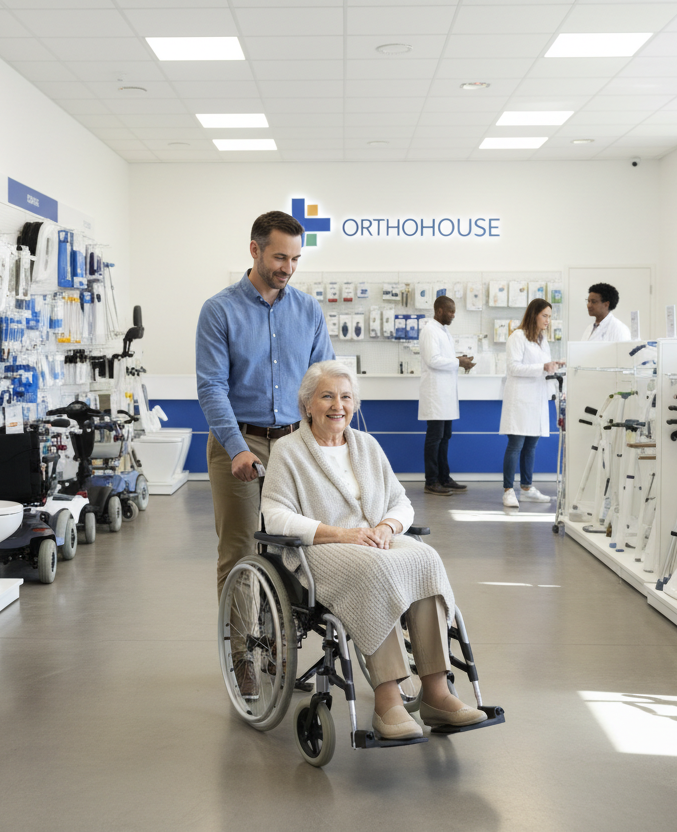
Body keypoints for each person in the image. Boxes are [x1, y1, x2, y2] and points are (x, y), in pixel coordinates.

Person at [262, 360, 486, 739]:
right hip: (321, 546)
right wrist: (339, 534)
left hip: (374, 538)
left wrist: (386, 527)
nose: (338, 405)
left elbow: (400, 502)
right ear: (307, 405)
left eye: (346, 397)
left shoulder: (366, 445)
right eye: (327, 396)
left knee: (424, 559)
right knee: (375, 570)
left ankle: (436, 693)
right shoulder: (289, 450)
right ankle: (388, 702)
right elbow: (274, 515)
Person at [195, 210, 334, 603]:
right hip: (238, 443)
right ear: (255, 250)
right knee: (240, 551)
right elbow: (211, 387)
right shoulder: (219, 310)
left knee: (294, 546)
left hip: (295, 444)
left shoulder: (308, 310)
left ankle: (281, 633)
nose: (288, 268)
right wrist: (236, 448)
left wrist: (328, 440)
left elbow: (324, 380)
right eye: (280, 257)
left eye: (295, 259)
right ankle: (242, 644)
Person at [500, 298, 563, 508]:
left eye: (549, 317)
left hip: (537, 399)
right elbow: (514, 368)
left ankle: (526, 488)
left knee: (531, 446)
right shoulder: (517, 337)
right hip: (520, 399)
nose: (547, 320)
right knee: (516, 445)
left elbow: (542, 367)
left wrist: (554, 365)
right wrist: (543, 367)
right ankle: (508, 490)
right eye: (544, 316)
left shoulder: (542, 340)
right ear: (533, 314)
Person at [419, 296, 474, 496]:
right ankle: (431, 481)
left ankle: (444, 477)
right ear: (439, 310)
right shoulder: (429, 330)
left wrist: (460, 359)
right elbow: (433, 360)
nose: (453, 315)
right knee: (435, 438)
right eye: (450, 311)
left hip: (445, 394)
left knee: (444, 437)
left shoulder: (443, 331)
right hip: (435, 394)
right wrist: (458, 362)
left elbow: (444, 358)